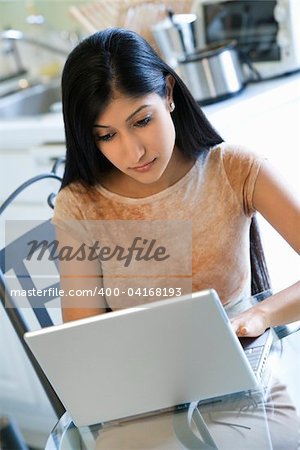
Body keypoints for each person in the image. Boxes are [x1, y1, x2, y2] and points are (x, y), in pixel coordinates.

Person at [52, 28, 300, 448]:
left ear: (168, 93)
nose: (133, 152)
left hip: (244, 372)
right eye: (106, 135)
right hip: (141, 393)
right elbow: (85, 341)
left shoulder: (235, 168)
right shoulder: (80, 204)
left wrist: (260, 315)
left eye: (141, 121)